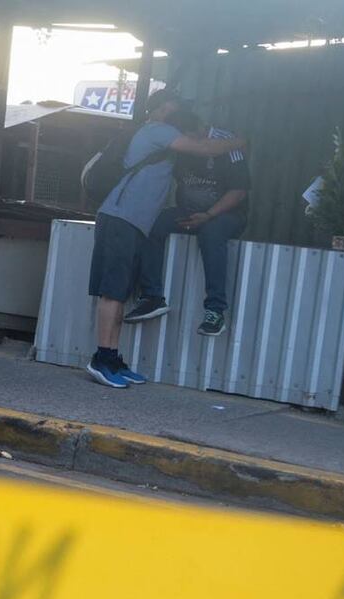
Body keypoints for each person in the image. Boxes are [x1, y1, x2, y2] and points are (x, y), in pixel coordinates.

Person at [86, 90, 247, 389]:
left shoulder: (164, 134)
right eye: (173, 109)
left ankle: (111, 356)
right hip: (120, 218)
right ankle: (100, 359)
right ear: (159, 110)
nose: (177, 117)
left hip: (135, 223)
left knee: (120, 293)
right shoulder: (156, 131)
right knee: (111, 292)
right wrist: (239, 142)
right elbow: (204, 148)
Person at [124, 110, 250, 336]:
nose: (188, 145)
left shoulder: (227, 144)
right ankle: (152, 297)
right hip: (188, 211)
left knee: (211, 233)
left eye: (191, 139)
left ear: (201, 128)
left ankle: (215, 311)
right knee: (151, 223)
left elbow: (239, 192)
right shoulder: (176, 143)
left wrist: (209, 214)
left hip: (223, 215)